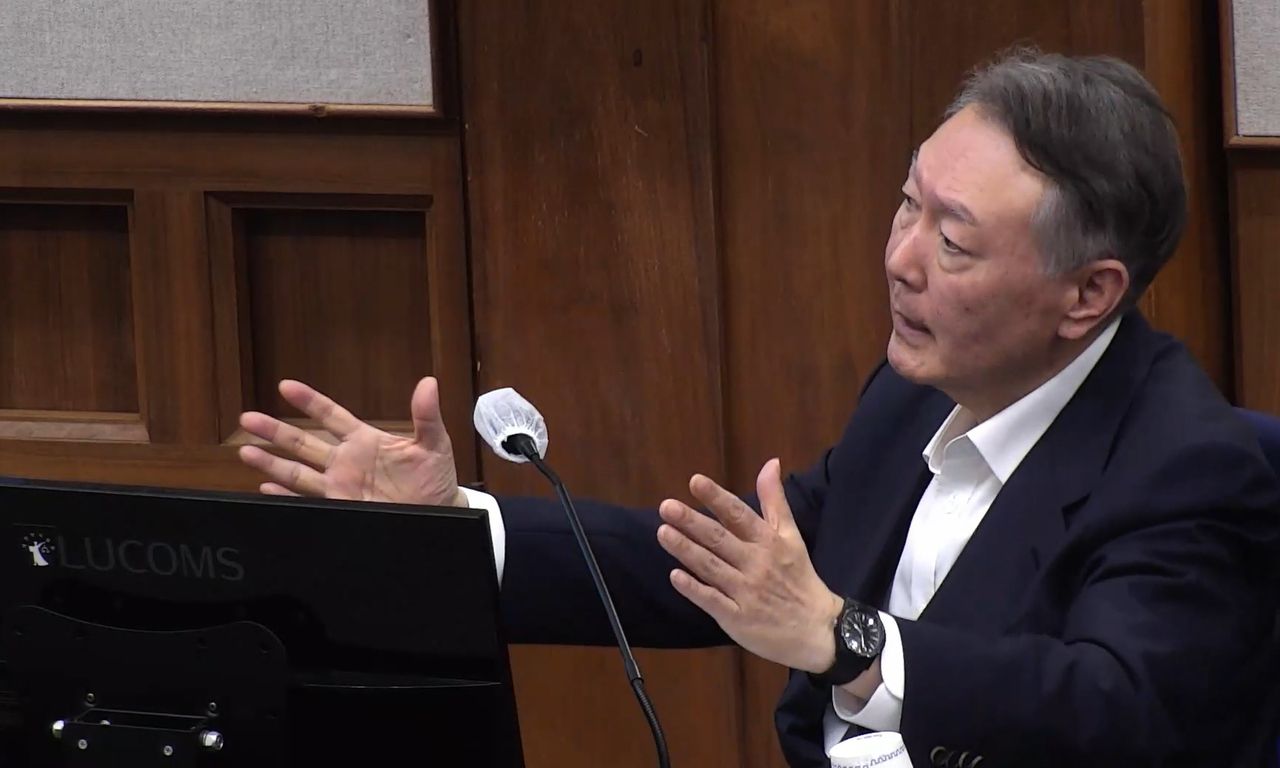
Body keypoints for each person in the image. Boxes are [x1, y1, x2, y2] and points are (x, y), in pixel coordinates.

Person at [236, 48, 1280, 767]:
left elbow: (1116, 709)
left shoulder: (1186, 466)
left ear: (1087, 294)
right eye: (905, 205)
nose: (899, 261)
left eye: (953, 242)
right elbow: (719, 570)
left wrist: (850, 640)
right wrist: (458, 527)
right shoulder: (907, 405)